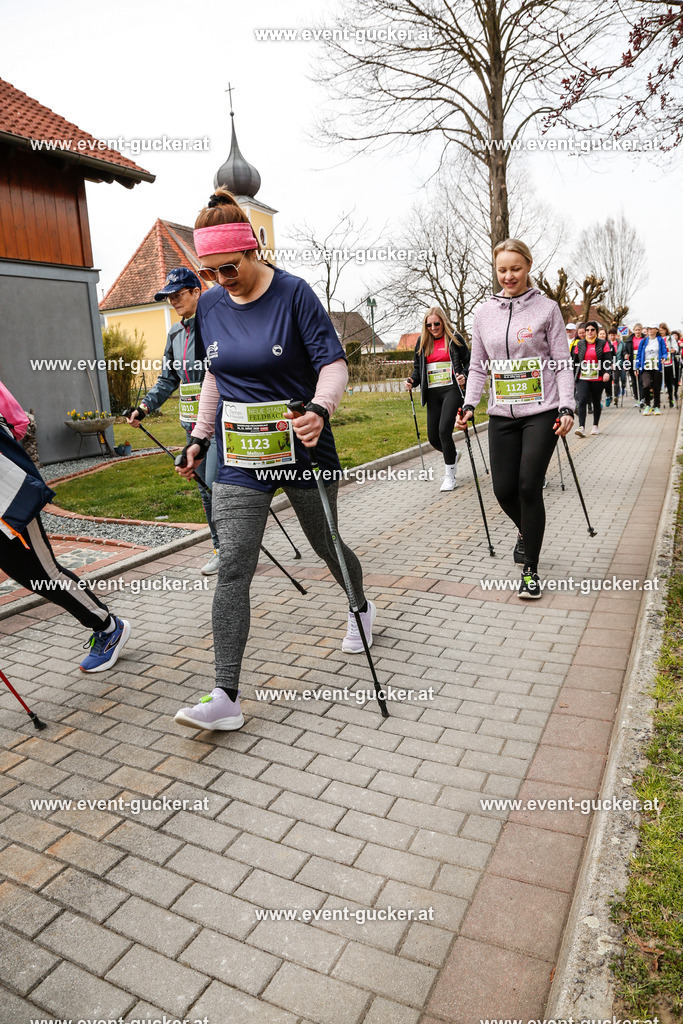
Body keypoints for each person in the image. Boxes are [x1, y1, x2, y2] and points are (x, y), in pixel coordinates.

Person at [172, 188, 375, 731]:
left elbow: (334, 365)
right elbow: (216, 375)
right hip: (243, 453)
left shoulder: (294, 295)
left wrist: (319, 408)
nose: (221, 280)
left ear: (254, 248)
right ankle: (225, 694)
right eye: (210, 272)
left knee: (326, 545)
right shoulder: (210, 305)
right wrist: (199, 437)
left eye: (229, 267)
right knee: (235, 562)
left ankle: (359, 606)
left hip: (303, 442)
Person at [455, 238, 575, 600]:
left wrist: (567, 405)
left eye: (516, 268)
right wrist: (468, 404)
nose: (509, 276)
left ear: (528, 267)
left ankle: (531, 570)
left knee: (528, 486)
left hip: (542, 411)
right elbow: (478, 366)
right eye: (502, 269)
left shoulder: (547, 309)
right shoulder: (483, 313)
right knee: (503, 489)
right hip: (501, 414)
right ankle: (527, 531)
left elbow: (561, 362)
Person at [0, 382, 130, 672]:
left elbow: (17, 423)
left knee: (43, 573)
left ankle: (108, 628)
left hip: (7, 496)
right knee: (25, 574)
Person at [125, 268, 220, 575]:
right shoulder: (175, 334)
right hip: (191, 424)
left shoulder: (217, 323)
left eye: (178, 295)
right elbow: (167, 379)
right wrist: (143, 408)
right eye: (169, 297)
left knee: (218, 486)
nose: (173, 301)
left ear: (197, 291)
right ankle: (223, 547)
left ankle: (233, 547)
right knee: (206, 488)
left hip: (220, 423)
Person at [405, 307, 470, 491]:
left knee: (444, 431)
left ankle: (450, 476)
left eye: (436, 323)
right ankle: (452, 454)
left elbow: (470, 362)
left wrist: (464, 375)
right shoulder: (422, 341)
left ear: (443, 322)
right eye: (429, 324)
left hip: (452, 389)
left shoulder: (454, 338)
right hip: (433, 392)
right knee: (433, 438)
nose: (433, 327)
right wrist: (412, 380)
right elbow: (418, 369)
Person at [573, 321, 611, 436]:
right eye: (587, 330)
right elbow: (574, 361)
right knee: (582, 400)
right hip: (583, 377)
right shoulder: (579, 344)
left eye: (592, 330)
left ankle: (595, 426)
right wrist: (572, 375)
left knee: (596, 401)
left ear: (596, 331)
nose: (589, 332)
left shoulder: (603, 343)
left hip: (597, 377)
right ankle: (581, 427)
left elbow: (608, 360)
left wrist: (607, 372)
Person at [636, 323, 667, 415]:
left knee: (657, 387)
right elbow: (638, 355)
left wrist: (664, 358)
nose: (649, 330)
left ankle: (656, 406)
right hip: (646, 367)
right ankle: (648, 405)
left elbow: (665, 352)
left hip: (657, 367)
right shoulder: (643, 341)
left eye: (652, 328)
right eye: (648, 328)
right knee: (646, 385)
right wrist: (637, 366)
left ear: (656, 330)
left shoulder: (660, 340)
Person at [659, 322, 676, 408]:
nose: (661, 332)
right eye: (660, 330)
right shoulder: (657, 338)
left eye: (663, 330)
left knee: (668, 382)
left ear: (666, 330)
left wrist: (674, 350)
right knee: (658, 382)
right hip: (658, 363)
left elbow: (675, 347)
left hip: (668, 363)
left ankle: (671, 398)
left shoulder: (670, 338)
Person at [629, 323, 645, 404]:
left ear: (641, 330)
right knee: (634, 380)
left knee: (641, 380)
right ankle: (637, 398)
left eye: (639, 330)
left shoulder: (645, 339)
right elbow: (626, 349)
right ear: (634, 330)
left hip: (642, 361)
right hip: (632, 361)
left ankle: (642, 397)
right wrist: (626, 354)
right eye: (636, 330)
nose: (637, 331)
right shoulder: (630, 340)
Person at [669, 330, 681, 406]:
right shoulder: (669, 343)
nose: (674, 337)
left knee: (677, 379)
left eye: (676, 336)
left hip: (677, 363)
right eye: (673, 336)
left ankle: (675, 393)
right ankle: (670, 394)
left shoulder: (679, 343)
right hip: (670, 363)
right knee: (671, 380)